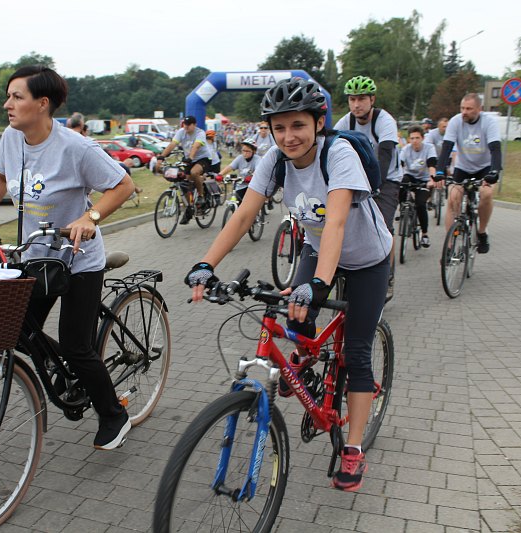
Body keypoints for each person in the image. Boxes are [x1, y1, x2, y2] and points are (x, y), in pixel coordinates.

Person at [186, 78, 391, 492]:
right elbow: (244, 215)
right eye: (278, 128)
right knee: (294, 317)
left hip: (367, 258)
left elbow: (336, 222)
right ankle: (306, 362)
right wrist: (206, 263)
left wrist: (318, 284)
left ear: (318, 123)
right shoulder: (275, 159)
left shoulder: (339, 153)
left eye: (298, 125)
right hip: (318, 250)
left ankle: (353, 448)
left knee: (356, 353)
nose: (288, 136)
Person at [0, 65, 135, 450]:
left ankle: (114, 414)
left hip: (77, 261)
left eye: (17, 97)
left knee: (76, 346)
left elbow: (124, 184)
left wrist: (90, 218)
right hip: (35, 258)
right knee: (16, 330)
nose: (7, 104)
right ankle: (66, 366)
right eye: (8, 96)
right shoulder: (12, 139)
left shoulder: (76, 147)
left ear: (42, 104)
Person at [335, 75, 401, 297]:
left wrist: (375, 185)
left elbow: (385, 154)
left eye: (361, 99)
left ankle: (387, 277)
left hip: (387, 179)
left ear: (372, 99)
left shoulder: (385, 121)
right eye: (352, 99)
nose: (356, 104)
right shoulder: (346, 122)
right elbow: (330, 149)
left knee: (384, 227)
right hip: (358, 179)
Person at [434, 93, 501, 252]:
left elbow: (495, 149)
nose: (464, 112)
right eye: (462, 108)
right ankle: (449, 246)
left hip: (484, 167)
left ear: (479, 109)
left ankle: (482, 232)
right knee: (453, 198)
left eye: (469, 109)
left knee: (486, 194)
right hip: (463, 167)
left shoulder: (489, 122)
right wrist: (440, 171)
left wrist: (494, 171)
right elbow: (447, 148)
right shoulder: (455, 121)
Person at [158, 116, 213, 224]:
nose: (186, 126)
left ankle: (201, 196)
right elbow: (172, 144)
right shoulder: (181, 132)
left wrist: (190, 158)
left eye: (188, 124)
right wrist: (161, 157)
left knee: (194, 172)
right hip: (188, 159)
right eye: (185, 124)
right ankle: (189, 207)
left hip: (203, 158)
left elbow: (196, 146)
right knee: (183, 182)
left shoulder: (200, 133)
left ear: (194, 125)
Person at [399, 126, 438, 247]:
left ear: (422, 138)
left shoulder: (429, 148)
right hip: (410, 177)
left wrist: (432, 179)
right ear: (409, 139)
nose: (414, 141)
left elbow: (431, 165)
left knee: (420, 204)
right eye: (412, 138)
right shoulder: (406, 149)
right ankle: (404, 209)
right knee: (401, 184)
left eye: (417, 138)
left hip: (424, 180)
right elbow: (400, 165)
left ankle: (425, 234)